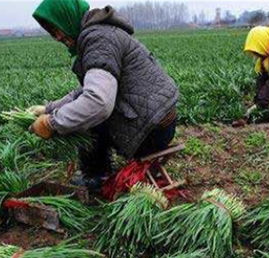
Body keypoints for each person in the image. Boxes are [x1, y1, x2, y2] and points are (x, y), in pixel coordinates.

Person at [28, 0, 179, 191]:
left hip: (151, 131)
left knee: (83, 119)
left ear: (68, 19)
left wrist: (51, 123)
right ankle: (99, 170)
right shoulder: (100, 33)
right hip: (158, 121)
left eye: (56, 28)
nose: (57, 36)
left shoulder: (98, 39)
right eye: (51, 32)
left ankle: (96, 176)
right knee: (80, 111)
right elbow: (85, 92)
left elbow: (97, 102)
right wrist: (49, 109)